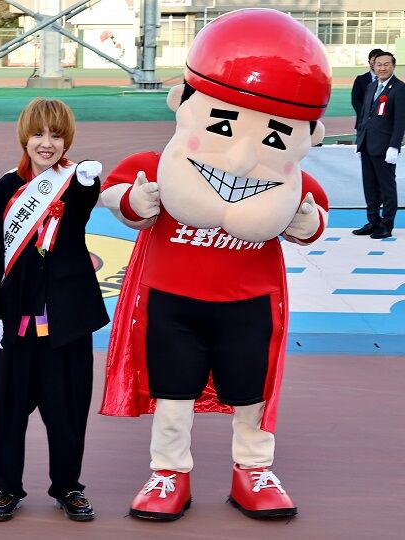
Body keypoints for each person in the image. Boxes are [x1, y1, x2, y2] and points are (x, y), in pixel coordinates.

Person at [99, 9, 330, 521]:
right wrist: (135, 202)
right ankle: (169, 472)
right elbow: (119, 194)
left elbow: (314, 221)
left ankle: (253, 469)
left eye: (275, 135)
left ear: (308, 134)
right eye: (223, 123)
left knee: (251, 392)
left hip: (248, 301)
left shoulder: (287, 181)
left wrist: (305, 220)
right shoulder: (159, 164)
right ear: (182, 102)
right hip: (172, 299)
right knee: (172, 391)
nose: (243, 158)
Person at [0, 98, 109, 522]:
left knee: (68, 411)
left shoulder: (75, 181)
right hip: (14, 324)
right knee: (9, 411)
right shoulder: (5, 187)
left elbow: (83, 205)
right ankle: (6, 488)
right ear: (25, 137)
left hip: (66, 323)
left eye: (56, 135)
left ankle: (68, 486)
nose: (46, 143)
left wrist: (86, 181)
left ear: (67, 140)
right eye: (38, 134)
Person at [354, 51, 404, 239]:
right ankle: (373, 220)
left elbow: (400, 120)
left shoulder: (399, 88)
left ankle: (386, 224)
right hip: (367, 144)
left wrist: (394, 146)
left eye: (386, 64)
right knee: (370, 186)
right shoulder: (371, 86)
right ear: (373, 66)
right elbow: (364, 116)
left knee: (386, 187)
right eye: (379, 64)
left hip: (384, 147)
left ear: (393, 66)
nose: (382, 68)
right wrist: (359, 141)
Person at [351, 48, 385, 129]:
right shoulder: (360, 79)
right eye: (373, 60)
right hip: (364, 122)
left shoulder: (390, 81)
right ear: (369, 62)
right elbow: (355, 100)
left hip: (384, 123)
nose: (376, 63)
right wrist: (365, 113)